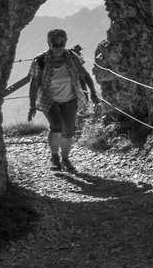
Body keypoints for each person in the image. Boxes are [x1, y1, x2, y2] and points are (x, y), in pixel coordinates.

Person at [27, 29, 100, 172]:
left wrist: (93, 93)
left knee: (68, 132)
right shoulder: (40, 60)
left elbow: (85, 75)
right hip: (49, 100)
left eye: (62, 43)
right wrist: (32, 106)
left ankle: (65, 158)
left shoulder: (72, 57)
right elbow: (34, 83)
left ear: (65, 42)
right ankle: (55, 157)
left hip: (70, 99)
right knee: (56, 126)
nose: (59, 47)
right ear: (49, 43)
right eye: (55, 44)